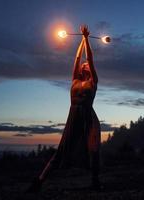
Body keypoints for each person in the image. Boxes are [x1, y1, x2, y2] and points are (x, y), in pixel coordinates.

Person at [28, 25, 101, 192]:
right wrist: (82, 40)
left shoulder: (93, 82)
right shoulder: (75, 80)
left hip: (89, 117)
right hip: (74, 116)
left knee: (93, 149)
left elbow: (89, 58)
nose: (84, 65)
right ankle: (38, 182)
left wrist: (86, 38)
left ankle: (95, 181)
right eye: (83, 65)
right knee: (61, 151)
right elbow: (77, 59)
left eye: (86, 65)